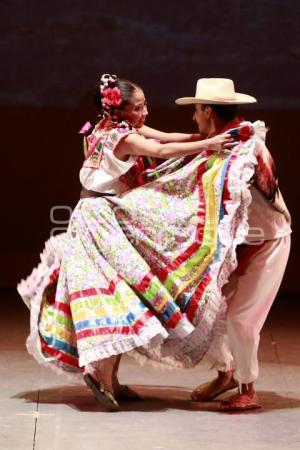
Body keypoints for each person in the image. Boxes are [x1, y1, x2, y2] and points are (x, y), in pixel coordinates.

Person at [18, 74, 235, 412]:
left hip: (99, 214)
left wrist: (208, 137)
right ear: (120, 111)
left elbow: (165, 136)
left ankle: (110, 379)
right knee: (116, 294)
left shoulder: (102, 128)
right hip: (98, 219)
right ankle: (102, 376)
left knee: (123, 293)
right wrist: (208, 144)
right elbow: (161, 149)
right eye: (139, 107)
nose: (146, 112)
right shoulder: (121, 136)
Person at [175, 78, 291, 411]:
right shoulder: (217, 142)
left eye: (196, 110)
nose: (194, 117)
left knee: (241, 318)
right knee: (208, 312)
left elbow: (267, 188)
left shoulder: (248, 145)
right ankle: (227, 373)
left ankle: (247, 387)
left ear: (207, 109)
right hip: (235, 245)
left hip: (267, 242)